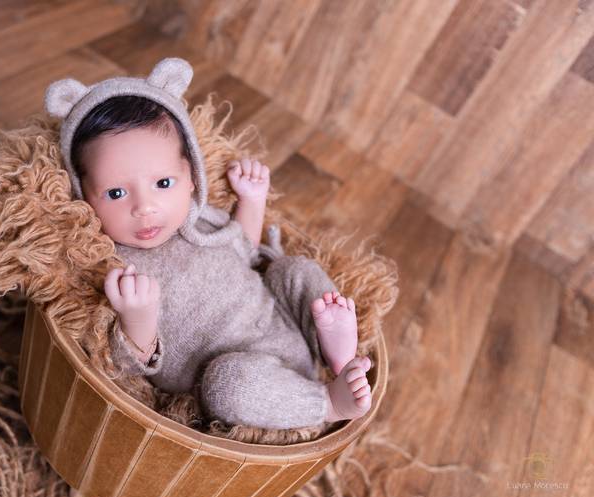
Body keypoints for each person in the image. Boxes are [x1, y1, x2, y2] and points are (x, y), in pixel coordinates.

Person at [44, 57, 372, 429]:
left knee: (293, 270)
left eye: (163, 184)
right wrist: (139, 318)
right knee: (227, 385)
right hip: (244, 381)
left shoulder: (197, 218)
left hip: (282, 325)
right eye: (116, 193)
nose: (145, 208)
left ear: (191, 178)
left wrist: (251, 200)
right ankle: (328, 403)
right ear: (83, 196)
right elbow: (121, 365)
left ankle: (339, 354)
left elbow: (244, 252)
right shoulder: (113, 264)